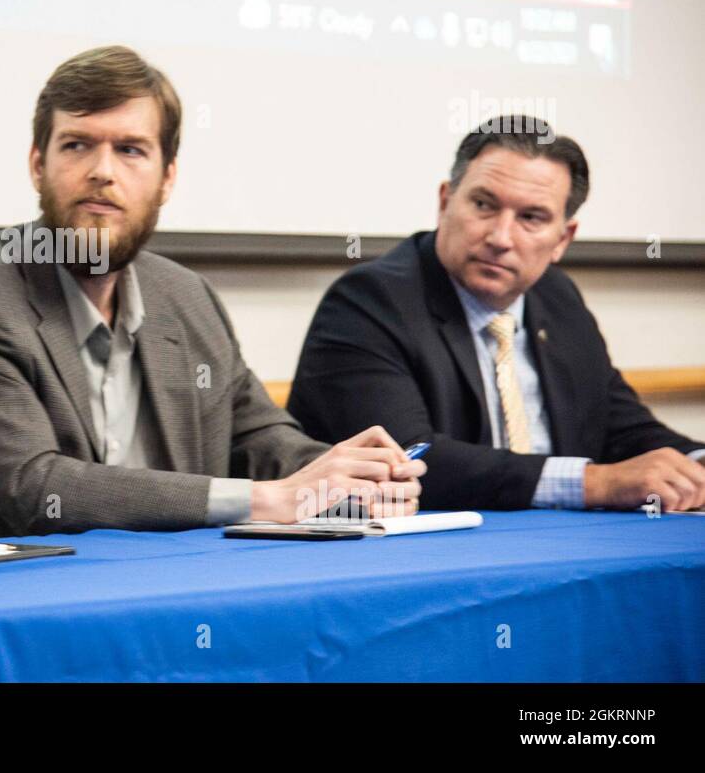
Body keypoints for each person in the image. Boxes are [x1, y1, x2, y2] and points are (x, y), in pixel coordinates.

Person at [0, 45, 423, 539]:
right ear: (37, 165)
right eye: (77, 145)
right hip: (27, 597)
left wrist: (350, 479)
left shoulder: (186, 296)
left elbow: (260, 439)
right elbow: (39, 487)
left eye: (130, 150)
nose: (102, 172)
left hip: (175, 584)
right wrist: (263, 500)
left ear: (167, 178)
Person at [287, 116, 705, 512]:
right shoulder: (370, 300)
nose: (500, 237)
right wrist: (593, 483)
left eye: (531, 218)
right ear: (445, 201)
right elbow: (407, 461)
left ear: (563, 239)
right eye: (484, 205)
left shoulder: (556, 298)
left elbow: (620, 427)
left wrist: (695, 465)